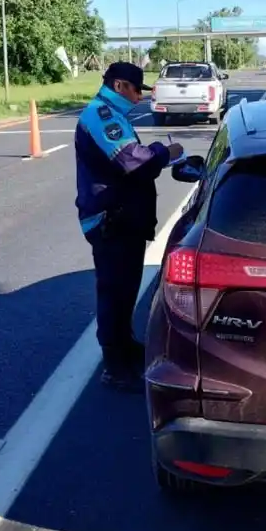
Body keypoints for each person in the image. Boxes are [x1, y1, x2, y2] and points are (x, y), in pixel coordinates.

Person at [74, 62, 184, 389]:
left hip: (124, 221)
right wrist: (167, 151)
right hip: (111, 221)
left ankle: (125, 345)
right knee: (114, 292)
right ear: (120, 85)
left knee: (126, 292)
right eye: (137, 90)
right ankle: (115, 366)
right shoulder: (101, 115)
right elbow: (133, 161)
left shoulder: (112, 112)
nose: (138, 98)